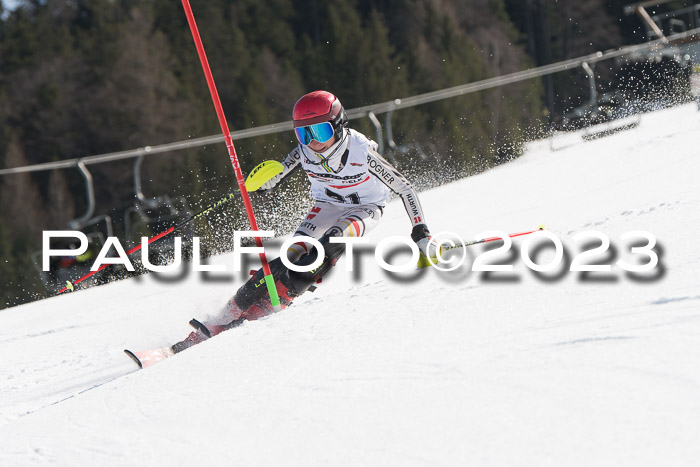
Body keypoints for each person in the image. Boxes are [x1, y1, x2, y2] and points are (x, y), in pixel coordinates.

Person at [172, 90, 436, 352]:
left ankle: (258, 314)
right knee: (284, 261)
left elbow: (405, 188)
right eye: (303, 133)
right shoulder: (303, 152)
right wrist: (261, 184)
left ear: (338, 124)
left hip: (364, 209)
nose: (312, 142)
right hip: (327, 206)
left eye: (319, 132)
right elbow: (277, 176)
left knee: (321, 252)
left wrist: (420, 230)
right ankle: (222, 317)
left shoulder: (361, 151)